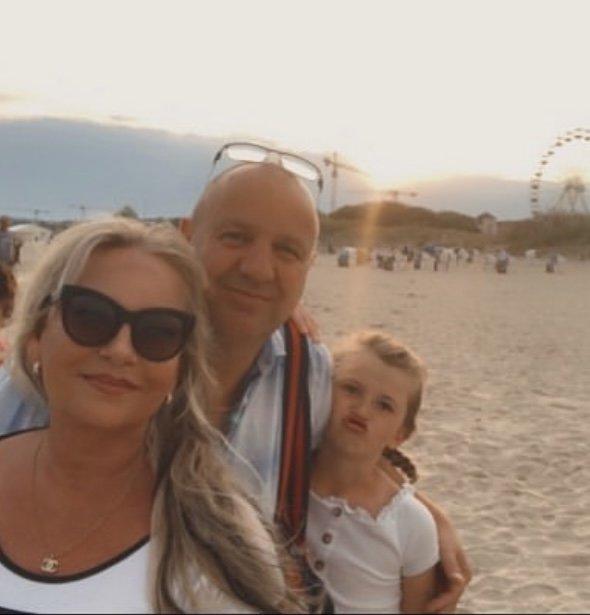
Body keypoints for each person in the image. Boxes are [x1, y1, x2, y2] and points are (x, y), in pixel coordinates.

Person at [0, 143, 470, 612]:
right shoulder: (77, 366)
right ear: (188, 236)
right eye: (235, 237)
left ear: (308, 266)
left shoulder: (309, 377)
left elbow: (355, 456)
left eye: (287, 251)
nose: (258, 269)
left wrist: (427, 518)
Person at [0, 217, 304, 613]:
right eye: (90, 316)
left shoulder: (219, 546)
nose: (120, 350)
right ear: (37, 337)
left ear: (179, 367)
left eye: (158, 332)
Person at [308, 330, 438, 613]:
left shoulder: (411, 522)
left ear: (401, 434)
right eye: (351, 389)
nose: (363, 409)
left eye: (384, 406)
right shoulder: (281, 479)